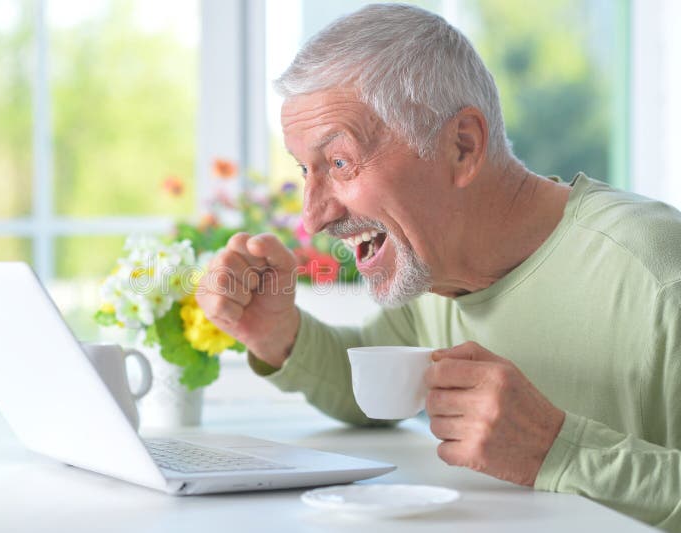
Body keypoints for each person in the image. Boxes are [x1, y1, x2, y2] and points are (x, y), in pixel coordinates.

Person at [195, 4, 681, 530]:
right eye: (304, 170)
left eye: (339, 163)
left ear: (462, 146)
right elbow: (378, 395)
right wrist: (278, 334)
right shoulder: (433, 270)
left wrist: (560, 451)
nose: (313, 216)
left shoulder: (657, 271)